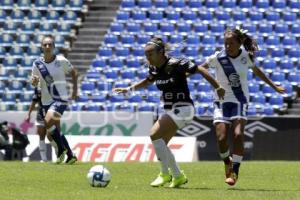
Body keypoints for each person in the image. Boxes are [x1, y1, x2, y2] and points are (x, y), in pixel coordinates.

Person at [113, 37, 225, 188]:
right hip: (170, 110)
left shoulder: (178, 63)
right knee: (161, 144)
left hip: (184, 108)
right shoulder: (154, 69)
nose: (148, 58)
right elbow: (148, 81)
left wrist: (218, 87)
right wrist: (129, 89)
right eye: (146, 55)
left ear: (161, 52)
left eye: (150, 54)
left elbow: (201, 69)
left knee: (153, 134)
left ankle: (166, 174)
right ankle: (175, 176)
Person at [199, 27, 285, 186]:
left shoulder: (245, 57)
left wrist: (274, 86)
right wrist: (215, 84)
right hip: (221, 101)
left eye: (231, 43)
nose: (227, 46)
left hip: (240, 100)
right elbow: (201, 67)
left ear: (239, 43)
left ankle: (235, 171)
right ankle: (227, 161)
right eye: (225, 43)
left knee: (238, 134)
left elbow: (258, 71)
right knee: (221, 137)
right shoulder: (218, 57)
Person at [31, 35, 78, 164]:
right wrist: (34, 82)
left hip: (60, 98)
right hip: (46, 101)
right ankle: (70, 155)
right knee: (52, 132)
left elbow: (74, 73)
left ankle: (61, 150)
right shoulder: (37, 64)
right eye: (45, 44)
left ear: (54, 47)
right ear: (41, 47)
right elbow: (34, 82)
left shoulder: (61, 60)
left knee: (47, 122)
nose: (47, 47)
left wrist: (74, 91)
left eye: (50, 44)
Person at [26, 86, 77, 164]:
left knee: (51, 135)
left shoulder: (51, 82)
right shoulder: (38, 86)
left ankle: (63, 153)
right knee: (43, 134)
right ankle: (45, 159)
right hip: (42, 112)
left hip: (52, 109)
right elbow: (34, 100)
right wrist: (29, 113)